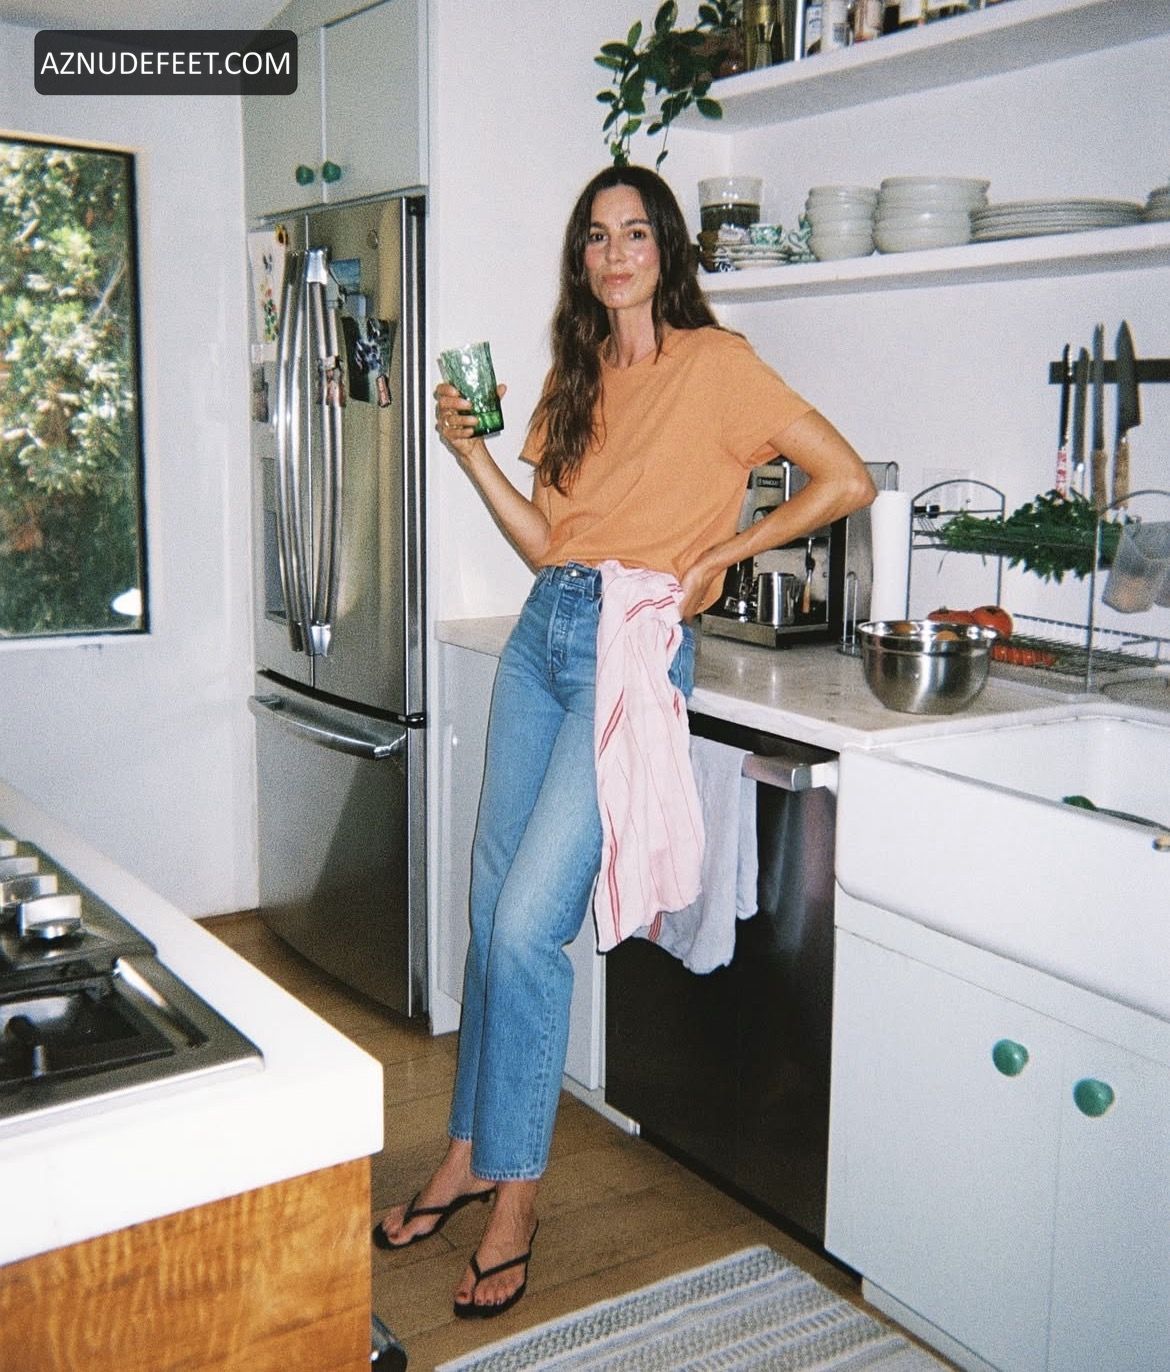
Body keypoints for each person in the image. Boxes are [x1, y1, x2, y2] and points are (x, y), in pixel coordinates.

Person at [371, 165, 875, 1318]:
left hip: (633, 648)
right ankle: (468, 1152)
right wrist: (470, 454)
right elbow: (548, 541)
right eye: (596, 236)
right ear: (582, 258)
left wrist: (726, 554)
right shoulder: (577, 373)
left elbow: (844, 477)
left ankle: (516, 1199)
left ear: (667, 249)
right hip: (544, 634)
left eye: (635, 233)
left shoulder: (717, 365)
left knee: (525, 927)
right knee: (490, 910)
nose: (614, 253)